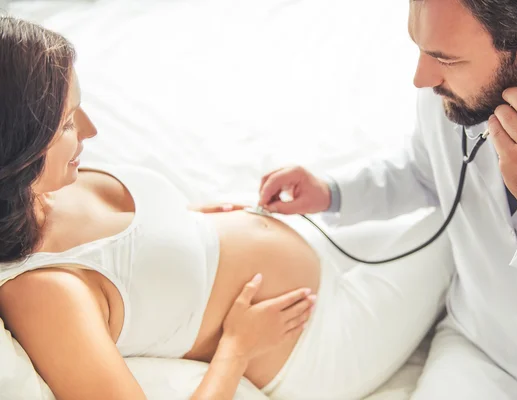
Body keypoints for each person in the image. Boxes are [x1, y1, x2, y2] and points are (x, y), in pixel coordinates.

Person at [0, 16, 454, 400]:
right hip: (315, 339)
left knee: (454, 194)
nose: (90, 131)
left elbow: (132, 262)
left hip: (317, 242)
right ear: (15, 151)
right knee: (464, 225)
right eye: (65, 125)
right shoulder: (42, 294)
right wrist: (237, 347)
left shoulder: (44, 188)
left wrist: (189, 221)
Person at [258, 0, 517, 399]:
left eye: (444, 58)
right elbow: (426, 169)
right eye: (420, 49)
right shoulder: (455, 92)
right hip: (485, 352)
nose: (421, 78)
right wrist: (332, 191)